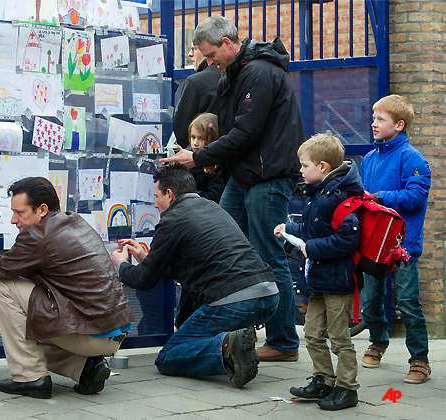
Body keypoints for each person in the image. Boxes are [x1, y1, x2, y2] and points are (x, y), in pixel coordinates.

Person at [161, 16, 304, 361]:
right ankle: (228, 328)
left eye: (210, 55)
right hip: (245, 174)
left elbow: (246, 132)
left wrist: (198, 158)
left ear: (228, 43)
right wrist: (215, 160)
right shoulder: (235, 73)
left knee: (268, 255)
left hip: (267, 176)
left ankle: (284, 342)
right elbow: (230, 129)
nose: (208, 63)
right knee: (220, 244)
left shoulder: (259, 72)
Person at [0, 177, 135, 399]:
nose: (12, 220)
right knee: (28, 329)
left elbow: (3, 271)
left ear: (42, 209)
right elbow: (23, 264)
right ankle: (87, 368)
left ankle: (31, 378)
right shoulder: (74, 222)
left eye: (20, 212)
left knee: (5, 290)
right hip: (113, 333)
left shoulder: (37, 236)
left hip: (91, 334)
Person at [111, 163, 279, 389]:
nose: (155, 203)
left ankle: (227, 348)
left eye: (157, 196)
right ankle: (235, 345)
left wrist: (121, 265)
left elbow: (143, 280)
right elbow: (188, 269)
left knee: (167, 357)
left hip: (234, 302)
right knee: (191, 334)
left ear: (169, 195)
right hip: (269, 296)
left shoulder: (172, 219)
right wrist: (144, 257)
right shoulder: (213, 207)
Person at [275, 133, 363, 410]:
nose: (301, 170)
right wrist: (288, 229)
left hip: (337, 281)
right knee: (312, 333)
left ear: (322, 166)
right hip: (317, 280)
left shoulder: (339, 197)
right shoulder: (319, 195)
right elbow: (314, 230)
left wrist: (311, 248)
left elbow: (348, 239)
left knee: (339, 338)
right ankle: (323, 379)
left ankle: (348, 388)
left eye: (304, 165)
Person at [359, 94, 431, 384]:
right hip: (372, 246)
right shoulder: (368, 158)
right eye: (373, 117)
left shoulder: (413, 159)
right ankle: (378, 342)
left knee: (408, 302)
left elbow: (415, 198)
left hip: (402, 247)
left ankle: (420, 360)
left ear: (399, 125)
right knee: (370, 301)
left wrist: (379, 198)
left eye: (380, 119)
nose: (373, 123)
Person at [175, 113, 225, 328]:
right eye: (193, 137)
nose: (195, 143)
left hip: (208, 233)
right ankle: (184, 324)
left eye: (201, 138)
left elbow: (215, 196)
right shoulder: (189, 163)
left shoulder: (217, 167)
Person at [173, 43, 222, 149]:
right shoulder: (238, 77)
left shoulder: (195, 82)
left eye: (194, 49)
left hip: (202, 155)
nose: (190, 54)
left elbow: (180, 132)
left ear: (206, 51)